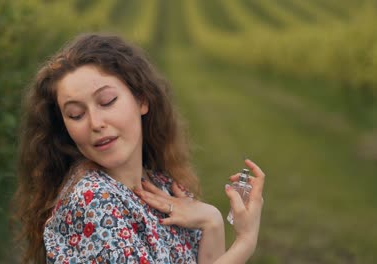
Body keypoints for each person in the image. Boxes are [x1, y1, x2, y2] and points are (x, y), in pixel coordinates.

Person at [13, 33, 265, 264]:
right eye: (76, 114)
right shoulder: (93, 200)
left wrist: (211, 222)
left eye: (107, 101)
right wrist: (244, 243)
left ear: (141, 99)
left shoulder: (161, 186)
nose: (96, 123)